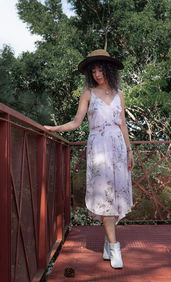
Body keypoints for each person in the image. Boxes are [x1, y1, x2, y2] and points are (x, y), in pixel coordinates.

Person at [44, 49, 134, 269]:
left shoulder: (119, 94)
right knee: (105, 197)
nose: (97, 73)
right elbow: (76, 122)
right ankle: (115, 248)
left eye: (100, 68)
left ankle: (108, 242)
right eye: (93, 70)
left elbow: (122, 124)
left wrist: (130, 151)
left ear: (109, 69)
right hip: (99, 149)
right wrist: (52, 128)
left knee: (117, 196)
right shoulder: (88, 93)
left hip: (119, 149)